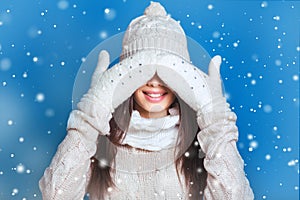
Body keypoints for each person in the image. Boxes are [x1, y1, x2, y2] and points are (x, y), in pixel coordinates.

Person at [39, 2, 254, 200]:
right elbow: (55, 194)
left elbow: (235, 196)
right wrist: (94, 107)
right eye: (142, 70)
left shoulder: (200, 141)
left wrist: (214, 114)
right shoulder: (101, 139)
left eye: (166, 72)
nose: (154, 83)